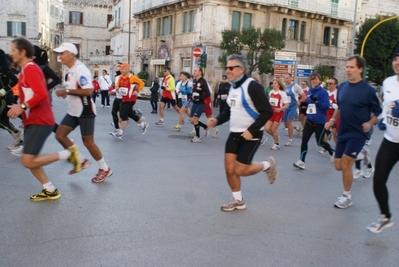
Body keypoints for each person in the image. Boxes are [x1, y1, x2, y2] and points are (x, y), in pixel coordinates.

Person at [7, 37, 77, 201]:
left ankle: (67, 154)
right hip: (33, 121)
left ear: (23, 52)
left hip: (40, 120)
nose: (10, 54)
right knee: (31, 159)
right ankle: (49, 189)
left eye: (13, 51)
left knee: (27, 161)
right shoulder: (26, 69)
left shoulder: (31, 68)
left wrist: (22, 107)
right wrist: (18, 107)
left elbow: (41, 93)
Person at [207, 54, 277, 211]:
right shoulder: (233, 87)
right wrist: (217, 120)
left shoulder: (252, 86)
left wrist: (252, 130)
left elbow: (267, 111)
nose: (228, 71)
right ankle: (238, 200)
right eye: (227, 67)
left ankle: (267, 164)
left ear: (241, 69)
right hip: (234, 134)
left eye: (231, 68)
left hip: (251, 135)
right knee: (229, 168)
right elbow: (227, 111)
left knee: (240, 170)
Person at [325, 55, 382, 209]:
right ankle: (362, 154)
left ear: (360, 69)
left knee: (345, 164)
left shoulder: (368, 91)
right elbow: (339, 107)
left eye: (352, 67)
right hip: (343, 131)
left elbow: (378, 112)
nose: (348, 70)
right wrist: (332, 120)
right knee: (338, 165)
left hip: (358, 133)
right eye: (347, 67)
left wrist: (369, 124)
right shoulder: (342, 87)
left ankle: (346, 196)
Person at [53, 42, 112, 183]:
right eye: (59, 53)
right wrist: (67, 94)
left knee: (88, 143)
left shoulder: (80, 69)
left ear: (71, 54)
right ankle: (80, 161)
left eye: (62, 53)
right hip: (73, 111)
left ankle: (104, 168)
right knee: (60, 135)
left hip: (85, 111)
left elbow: (88, 91)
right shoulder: (69, 71)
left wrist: (66, 91)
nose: (60, 56)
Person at [367, 46, 399, 233]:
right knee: (378, 179)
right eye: (395, 59)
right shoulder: (387, 83)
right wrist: (382, 120)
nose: (397, 62)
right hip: (391, 140)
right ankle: (385, 216)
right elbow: (386, 108)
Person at [293, 72, 335, 170]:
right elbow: (309, 103)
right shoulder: (310, 91)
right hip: (310, 119)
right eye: (312, 79)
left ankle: (332, 152)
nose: (314, 81)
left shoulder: (323, 92)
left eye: (315, 79)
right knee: (304, 140)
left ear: (319, 80)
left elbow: (326, 107)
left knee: (320, 142)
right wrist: (303, 102)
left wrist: (317, 101)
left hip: (319, 121)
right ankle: (302, 161)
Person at [109, 62, 148, 139]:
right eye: (120, 69)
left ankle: (120, 132)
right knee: (130, 114)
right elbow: (117, 83)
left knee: (123, 115)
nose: (121, 71)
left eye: (123, 69)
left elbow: (142, 83)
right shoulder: (120, 77)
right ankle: (143, 125)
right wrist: (116, 87)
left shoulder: (132, 77)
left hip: (131, 99)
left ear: (127, 69)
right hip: (124, 99)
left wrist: (137, 90)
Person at [0, 49, 23, 150]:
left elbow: (15, 80)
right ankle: (19, 142)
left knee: (2, 120)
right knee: (4, 120)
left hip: (5, 98)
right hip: (5, 97)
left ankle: (16, 132)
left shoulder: (4, 69)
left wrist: (4, 90)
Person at [264, 79, 289, 150]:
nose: (273, 84)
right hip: (271, 113)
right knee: (267, 128)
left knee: (273, 129)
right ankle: (276, 137)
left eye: (275, 83)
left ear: (279, 85)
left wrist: (280, 109)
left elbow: (286, 105)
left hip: (278, 113)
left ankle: (276, 143)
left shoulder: (282, 93)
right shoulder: (271, 92)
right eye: (273, 83)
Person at [283, 73, 305, 146]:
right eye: (285, 78)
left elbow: (304, 96)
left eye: (287, 78)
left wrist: (300, 101)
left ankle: (290, 140)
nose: (286, 80)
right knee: (286, 125)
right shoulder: (283, 86)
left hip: (293, 106)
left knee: (289, 122)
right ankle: (297, 127)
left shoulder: (295, 86)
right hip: (286, 107)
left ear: (291, 78)